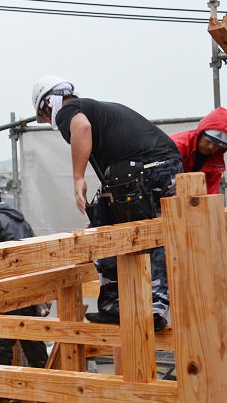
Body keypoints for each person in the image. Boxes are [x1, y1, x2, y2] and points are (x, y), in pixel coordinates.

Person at [31, 75, 182, 332]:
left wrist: (78, 177)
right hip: (162, 168)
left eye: (44, 116)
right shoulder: (97, 109)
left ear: (48, 103)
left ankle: (151, 307)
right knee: (110, 226)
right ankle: (117, 304)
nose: (49, 122)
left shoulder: (69, 110)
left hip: (145, 170)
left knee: (143, 234)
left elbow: (81, 128)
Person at [0, 179, 48, 368]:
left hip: (7, 294)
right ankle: (48, 390)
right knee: (34, 345)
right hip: (29, 291)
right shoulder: (20, 219)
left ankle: (0, 394)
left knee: (0, 348)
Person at [170, 107, 227, 195]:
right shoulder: (176, 147)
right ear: (200, 133)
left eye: (218, 145)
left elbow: (211, 193)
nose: (211, 147)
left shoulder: (216, 162)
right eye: (209, 141)